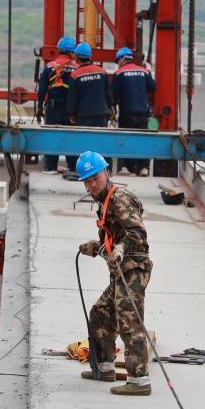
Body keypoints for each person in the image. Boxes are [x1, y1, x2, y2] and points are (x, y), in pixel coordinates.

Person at [75, 151, 153, 396]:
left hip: (133, 270)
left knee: (130, 321)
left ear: (107, 173)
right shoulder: (104, 201)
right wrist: (96, 247)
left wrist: (120, 249)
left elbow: (137, 233)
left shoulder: (119, 199)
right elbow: (114, 238)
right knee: (100, 313)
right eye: (87, 181)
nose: (92, 185)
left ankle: (139, 381)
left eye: (95, 178)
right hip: (120, 270)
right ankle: (104, 368)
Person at [35, 36, 78, 173]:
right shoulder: (77, 68)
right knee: (71, 137)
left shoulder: (49, 67)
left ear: (60, 50)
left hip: (53, 109)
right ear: (70, 52)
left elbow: (42, 90)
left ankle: (51, 167)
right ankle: (73, 168)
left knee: (51, 136)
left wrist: (39, 107)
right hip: (71, 110)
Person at [111, 47, 155, 176]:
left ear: (122, 59)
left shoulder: (118, 74)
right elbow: (152, 87)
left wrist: (112, 111)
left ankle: (130, 169)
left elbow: (113, 95)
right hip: (143, 113)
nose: (118, 64)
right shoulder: (144, 71)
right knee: (142, 139)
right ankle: (144, 168)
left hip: (127, 113)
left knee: (126, 139)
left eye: (118, 61)